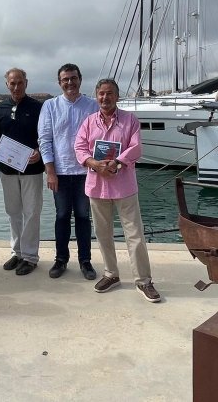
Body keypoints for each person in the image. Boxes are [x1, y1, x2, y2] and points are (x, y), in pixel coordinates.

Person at [74, 78, 161, 303]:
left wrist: (118, 162)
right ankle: (111, 274)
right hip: (97, 186)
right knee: (103, 234)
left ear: (117, 96)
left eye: (110, 93)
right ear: (96, 96)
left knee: (135, 235)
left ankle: (143, 280)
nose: (105, 98)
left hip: (124, 186)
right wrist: (93, 163)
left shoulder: (130, 120)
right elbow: (80, 147)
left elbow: (136, 147)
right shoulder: (89, 122)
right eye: (101, 94)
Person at [38, 63, 99, 280]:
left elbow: (99, 139)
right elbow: (44, 141)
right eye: (65, 79)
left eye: (73, 78)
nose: (70, 83)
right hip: (60, 173)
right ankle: (61, 260)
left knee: (83, 217)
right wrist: (50, 171)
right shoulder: (50, 106)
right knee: (62, 216)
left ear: (80, 79)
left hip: (86, 172)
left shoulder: (92, 106)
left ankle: (85, 261)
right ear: (59, 82)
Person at [0, 68, 44, 276]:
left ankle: (30, 257)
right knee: (13, 212)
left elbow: (45, 137)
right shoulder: (0, 107)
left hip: (32, 169)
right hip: (7, 169)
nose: (16, 87)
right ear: (7, 85)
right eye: (12, 83)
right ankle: (17, 252)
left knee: (31, 213)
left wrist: (39, 152)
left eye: (20, 82)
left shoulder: (38, 108)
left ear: (26, 83)